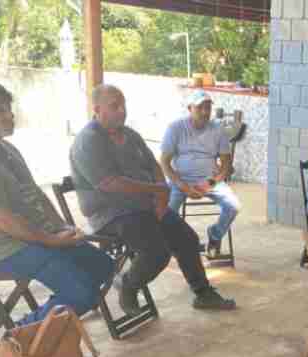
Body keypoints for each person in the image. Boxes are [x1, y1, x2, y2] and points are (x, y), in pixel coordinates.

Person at [0, 81, 114, 326]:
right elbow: (3, 220)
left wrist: (61, 227)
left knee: (102, 267)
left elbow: (36, 195)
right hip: (4, 248)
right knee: (81, 292)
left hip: (33, 237)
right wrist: (53, 240)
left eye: (9, 109)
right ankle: (18, 339)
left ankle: (57, 319)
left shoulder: (6, 149)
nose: (9, 115)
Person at [70, 84, 235, 313]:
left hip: (143, 206)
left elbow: (155, 166)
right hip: (112, 213)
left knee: (187, 238)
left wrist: (161, 193)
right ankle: (128, 284)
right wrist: (156, 191)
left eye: (123, 105)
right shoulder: (88, 141)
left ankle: (203, 294)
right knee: (157, 252)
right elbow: (110, 183)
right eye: (114, 106)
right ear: (97, 110)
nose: (122, 111)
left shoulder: (130, 136)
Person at [160, 90, 241, 258]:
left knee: (233, 206)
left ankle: (215, 236)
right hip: (180, 181)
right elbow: (165, 163)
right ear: (190, 108)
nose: (205, 112)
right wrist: (183, 186)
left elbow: (226, 165)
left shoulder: (218, 129)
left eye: (207, 108)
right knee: (165, 210)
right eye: (200, 108)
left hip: (210, 180)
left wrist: (209, 184)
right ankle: (174, 243)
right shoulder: (175, 128)